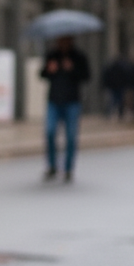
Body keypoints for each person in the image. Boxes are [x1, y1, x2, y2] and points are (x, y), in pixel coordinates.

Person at [40, 34, 91, 182]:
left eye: (65, 40)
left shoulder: (79, 56)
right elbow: (42, 74)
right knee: (49, 132)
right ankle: (52, 166)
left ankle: (68, 169)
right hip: (53, 101)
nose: (62, 42)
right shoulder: (52, 55)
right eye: (59, 40)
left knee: (70, 136)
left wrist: (72, 69)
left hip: (72, 102)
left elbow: (86, 76)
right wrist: (49, 70)